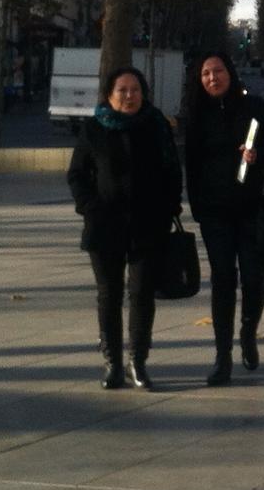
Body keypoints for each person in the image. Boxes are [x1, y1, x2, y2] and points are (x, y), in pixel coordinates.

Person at [67, 66, 182, 391]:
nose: (129, 96)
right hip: (104, 226)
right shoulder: (93, 129)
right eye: (122, 90)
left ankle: (139, 362)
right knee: (109, 295)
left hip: (148, 225)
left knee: (142, 294)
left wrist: (167, 208)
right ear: (109, 95)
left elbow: (173, 170)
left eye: (135, 90)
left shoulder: (156, 125)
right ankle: (113, 364)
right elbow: (76, 175)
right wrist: (90, 208)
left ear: (143, 93)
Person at [183, 51, 264, 386]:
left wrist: (259, 157)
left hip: (252, 209)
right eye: (206, 73)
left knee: (254, 278)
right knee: (223, 281)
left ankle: (248, 331)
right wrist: (198, 208)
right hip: (215, 214)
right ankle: (222, 357)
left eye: (218, 71)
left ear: (230, 73)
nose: (213, 78)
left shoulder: (254, 107)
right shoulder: (196, 114)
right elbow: (192, 165)